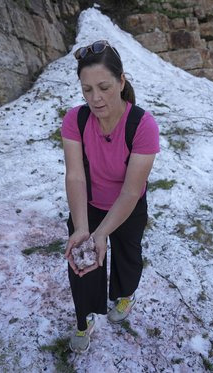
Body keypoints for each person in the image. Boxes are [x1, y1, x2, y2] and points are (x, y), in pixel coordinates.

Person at [61, 40, 160, 353]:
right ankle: (83, 319)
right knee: (82, 258)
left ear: (121, 81)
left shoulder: (143, 125)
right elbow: (75, 175)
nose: (96, 98)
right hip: (89, 203)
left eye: (103, 86)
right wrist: (82, 229)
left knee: (127, 255)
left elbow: (132, 190)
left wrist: (103, 233)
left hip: (128, 206)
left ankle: (125, 293)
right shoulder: (75, 120)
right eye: (87, 89)